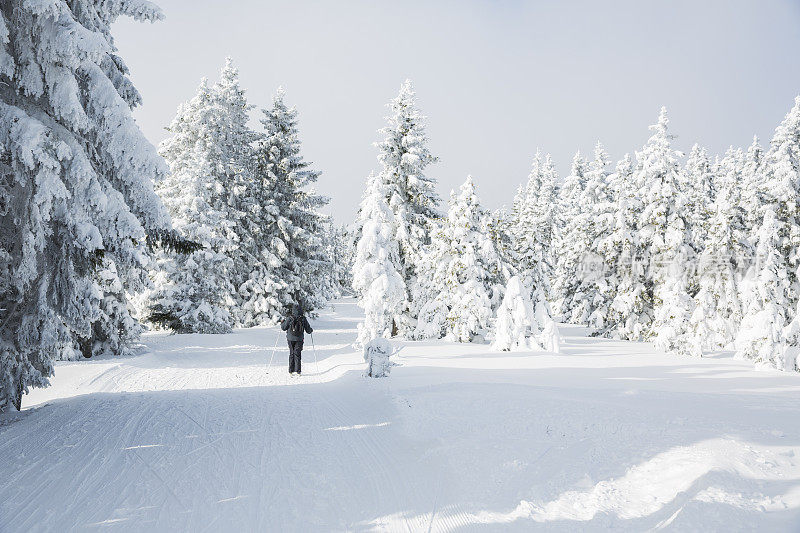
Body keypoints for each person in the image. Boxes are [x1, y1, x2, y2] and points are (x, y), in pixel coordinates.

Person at [281, 304, 313, 375]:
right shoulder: (303, 318)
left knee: (291, 353)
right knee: (297, 354)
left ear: (293, 310)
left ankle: (290, 371)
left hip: (290, 338)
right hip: (299, 339)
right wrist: (311, 330)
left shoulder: (289, 318)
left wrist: (282, 322)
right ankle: (298, 371)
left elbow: (283, 328)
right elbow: (308, 330)